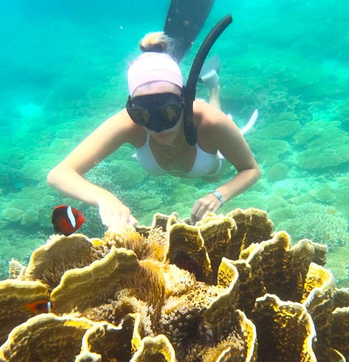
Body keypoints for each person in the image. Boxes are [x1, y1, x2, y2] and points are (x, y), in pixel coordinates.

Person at [47, 32, 261, 230]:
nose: (158, 127)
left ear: (185, 102)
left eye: (168, 112)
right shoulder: (128, 123)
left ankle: (214, 89)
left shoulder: (212, 122)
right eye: (144, 115)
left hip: (211, 170)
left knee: (212, 135)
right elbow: (58, 174)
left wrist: (219, 195)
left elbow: (251, 170)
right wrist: (104, 198)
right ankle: (203, 93)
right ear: (132, 109)